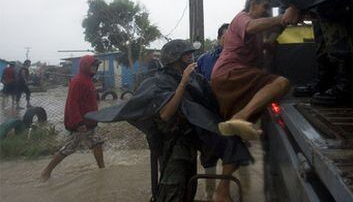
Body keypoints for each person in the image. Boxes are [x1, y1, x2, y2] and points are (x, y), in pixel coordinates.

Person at [86, 40, 252, 202]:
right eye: (186, 54)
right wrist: (183, 83)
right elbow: (166, 114)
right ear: (174, 58)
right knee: (172, 191)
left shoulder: (195, 78)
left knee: (189, 189)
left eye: (191, 53)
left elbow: (212, 100)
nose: (191, 57)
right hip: (172, 145)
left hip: (189, 142)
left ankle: (220, 192)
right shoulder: (161, 81)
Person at [211, 0, 290, 140]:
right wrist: (281, 17)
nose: (267, 12)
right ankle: (241, 116)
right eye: (265, 7)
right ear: (253, 5)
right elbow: (251, 26)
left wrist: (277, 31)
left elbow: (267, 47)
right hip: (231, 74)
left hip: (226, 78)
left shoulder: (257, 37)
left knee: (234, 140)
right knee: (281, 83)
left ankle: (238, 122)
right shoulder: (242, 18)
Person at [41, 55, 105, 181]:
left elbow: (88, 100)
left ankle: (102, 169)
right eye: (93, 65)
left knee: (96, 143)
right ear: (85, 66)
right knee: (70, 147)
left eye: (96, 66)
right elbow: (72, 103)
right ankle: (46, 172)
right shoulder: (78, 81)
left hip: (89, 121)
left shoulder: (88, 80)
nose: (95, 68)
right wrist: (79, 122)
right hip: (81, 123)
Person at [196, 23, 229, 200]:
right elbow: (195, 87)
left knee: (232, 156)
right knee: (209, 157)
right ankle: (209, 194)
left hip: (231, 117)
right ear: (218, 39)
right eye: (226, 37)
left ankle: (226, 191)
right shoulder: (204, 60)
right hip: (208, 118)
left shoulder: (240, 59)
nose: (230, 40)